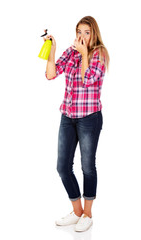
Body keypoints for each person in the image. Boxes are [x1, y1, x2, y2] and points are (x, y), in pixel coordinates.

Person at [44, 16, 110, 232]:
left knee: (87, 166)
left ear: (94, 34)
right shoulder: (72, 52)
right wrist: (52, 50)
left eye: (87, 32)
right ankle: (77, 212)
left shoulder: (99, 53)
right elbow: (51, 74)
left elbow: (88, 79)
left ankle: (88, 215)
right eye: (79, 31)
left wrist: (84, 56)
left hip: (90, 118)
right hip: (68, 116)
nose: (82, 36)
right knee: (62, 167)